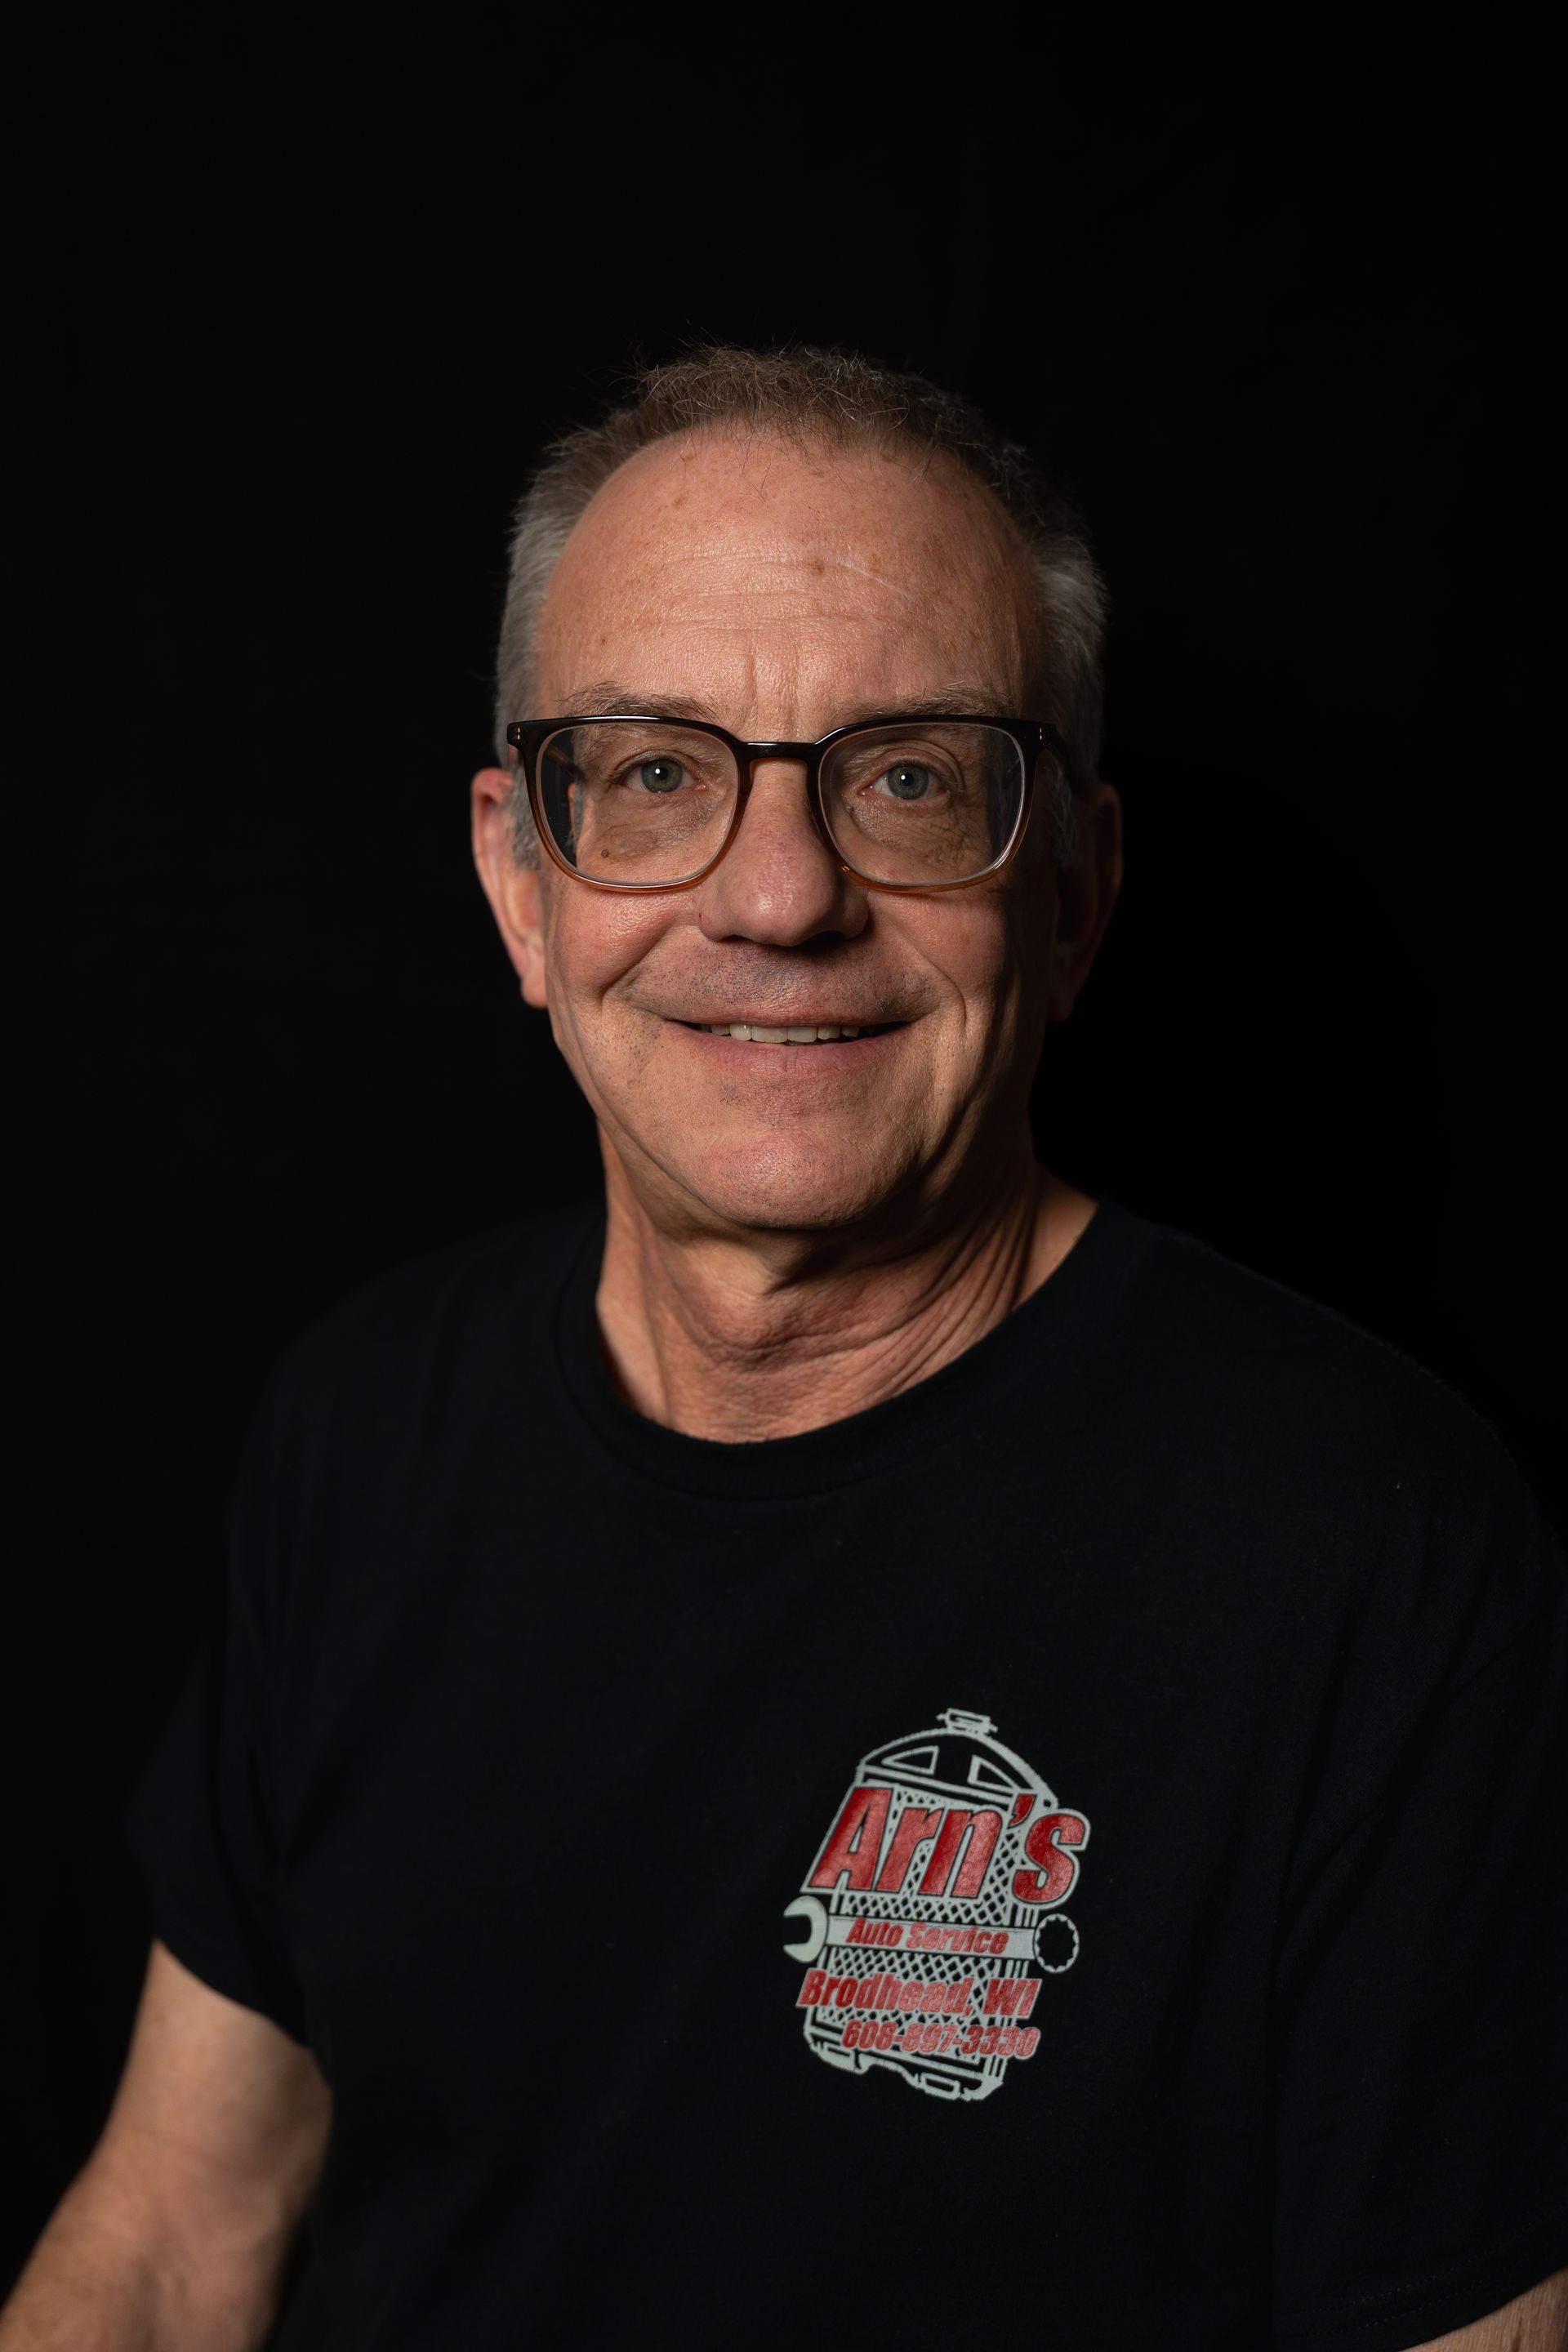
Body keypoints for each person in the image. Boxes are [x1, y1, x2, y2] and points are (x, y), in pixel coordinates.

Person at [3, 345, 1565, 2352]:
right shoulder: (365, 1430)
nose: (778, 891)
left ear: (1075, 893)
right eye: (653, 772)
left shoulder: (1375, 1554)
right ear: (518, 883)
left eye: (909, 776)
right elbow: (164, 2248)